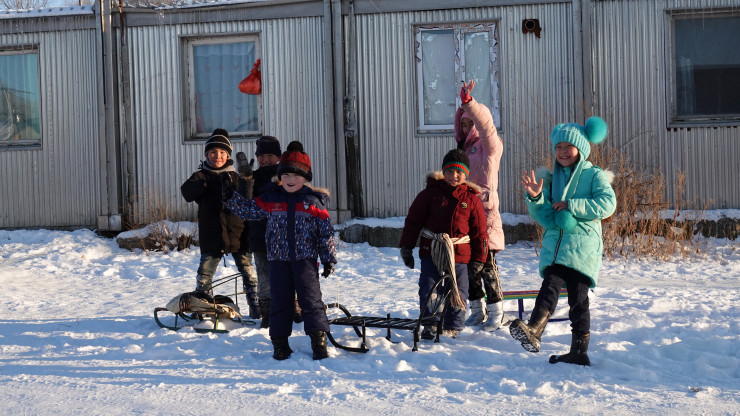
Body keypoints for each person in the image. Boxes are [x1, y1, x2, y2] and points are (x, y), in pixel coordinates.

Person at [510, 116, 616, 366]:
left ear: (582, 148)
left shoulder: (594, 175)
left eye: (569, 146)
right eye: (558, 147)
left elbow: (608, 204)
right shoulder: (551, 178)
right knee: (549, 286)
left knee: (578, 300)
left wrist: (572, 205)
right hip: (556, 248)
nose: (563, 151)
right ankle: (534, 330)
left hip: (582, 250)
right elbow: (544, 216)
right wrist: (536, 198)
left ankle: (579, 350)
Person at [223, 141, 337, 360]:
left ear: (305, 178)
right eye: (286, 175)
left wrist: (328, 258)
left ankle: (318, 341)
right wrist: (230, 196)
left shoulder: (313, 201)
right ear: (280, 176)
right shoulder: (271, 198)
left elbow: (326, 232)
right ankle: (280, 343)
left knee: (311, 301)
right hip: (277, 260)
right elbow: (248, 211)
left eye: (296, 176)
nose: (290, 180)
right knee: (280, 302)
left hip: (305, 260)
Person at [399, 149, 488, 339]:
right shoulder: (429, 195)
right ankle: (430, 323)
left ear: (466, 174)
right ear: (443, 172)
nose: (454, 176)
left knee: (458, 289)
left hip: (459, 254)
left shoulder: (471, 199)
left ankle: (453, 326)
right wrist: (406, 247)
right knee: (429, 286)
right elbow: (413, 222)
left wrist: (479, 259)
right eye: (449, 171)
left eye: (459, 172)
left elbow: (479, 233)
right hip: (432, 250)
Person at [180, 128, 260, 318]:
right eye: (213, 152)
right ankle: (202, 305)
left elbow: (248, 198)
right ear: (206, 155)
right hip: (212, 235)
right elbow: (187, 192)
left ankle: (256, 304)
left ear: (228, 155)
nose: (218, 156)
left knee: (248, 272)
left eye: (222, 152)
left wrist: (247, 180)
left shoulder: (235, 176)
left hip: (239, 234)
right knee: (205, 274)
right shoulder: (201, 176)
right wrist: (207, 183)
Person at [454, 80, 506, 331]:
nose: (467, 128)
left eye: (470, 123)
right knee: (468, 264)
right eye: (463, 124)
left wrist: (469, 104)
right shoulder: (462, 151)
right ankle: (477, 310)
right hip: (466, 214)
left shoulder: (490, 147)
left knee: (487, 264)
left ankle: (496, 312)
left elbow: (486, 126)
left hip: (486, 213)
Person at [246, 136, 281, 328]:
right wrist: (245, 181)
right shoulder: (253, 177)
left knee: (286, 272)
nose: (265, 159)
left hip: (282, 235)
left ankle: (292, 307)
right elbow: (246, 200)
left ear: (278, 157)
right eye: (262, 156)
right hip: (259, 234)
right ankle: (267, 312)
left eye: (270, 155)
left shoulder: (286, 175)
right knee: (264, 274)